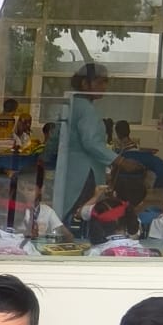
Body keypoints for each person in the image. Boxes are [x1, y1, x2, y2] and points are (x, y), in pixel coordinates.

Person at [53, 63, 118, 223]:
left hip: (69, 170)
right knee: (81, 214)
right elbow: (91, 142)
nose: (104, 87)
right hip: (84, 173)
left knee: (65, 212)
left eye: (105, 82)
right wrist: (119, 160)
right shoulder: (86, 109)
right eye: (100, 82)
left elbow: (56, 135)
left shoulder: (71, 103)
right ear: (84, 83)